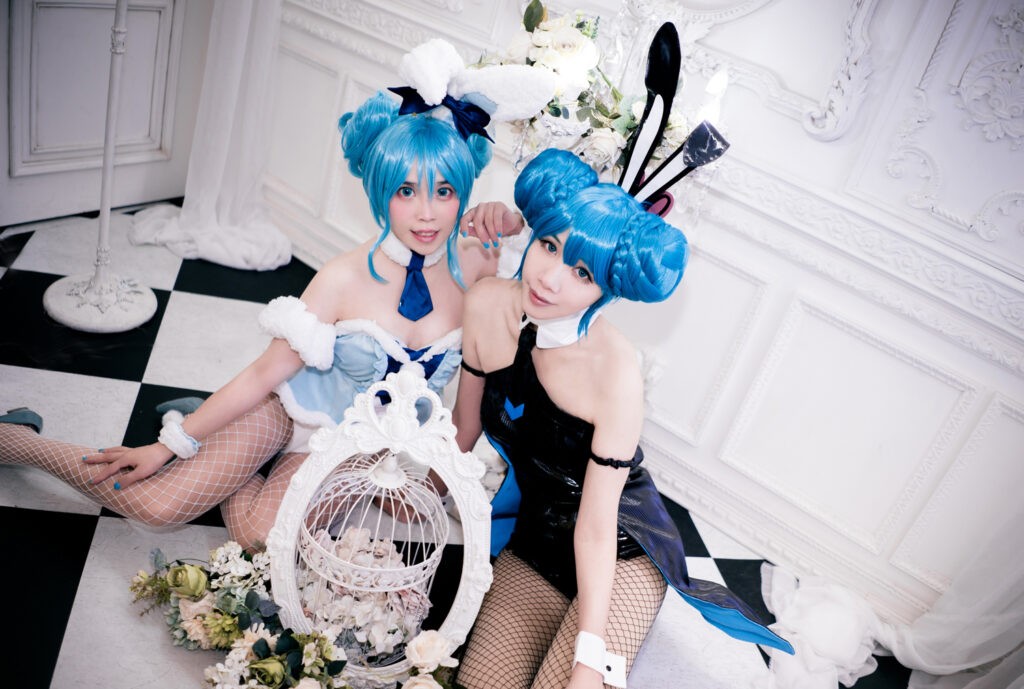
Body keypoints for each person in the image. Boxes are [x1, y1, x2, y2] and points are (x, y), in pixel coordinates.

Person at [0, 84, 527, 550]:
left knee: (258, 539)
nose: (427, 212)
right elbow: (263, 374)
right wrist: (168, 446)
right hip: (285, 409)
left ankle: (226, 452)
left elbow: (546, 267)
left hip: (347, 447)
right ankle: (18, 439)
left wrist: (510, 216)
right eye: (406, 191)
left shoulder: (479, 266)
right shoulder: (342, 278)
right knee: (159, 508)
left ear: (463, 194)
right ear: (380, 191)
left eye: (444, 191)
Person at [451, 148, 793, 689]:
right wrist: (408, 499)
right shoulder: (486, 303)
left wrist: (589, 656)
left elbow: (596, 527)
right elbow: (463, 430)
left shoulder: (615, 371)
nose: (551, 279)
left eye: (582, 271)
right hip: (536, 544)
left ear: (606, 287)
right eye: (549, 245)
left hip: (622, 548)